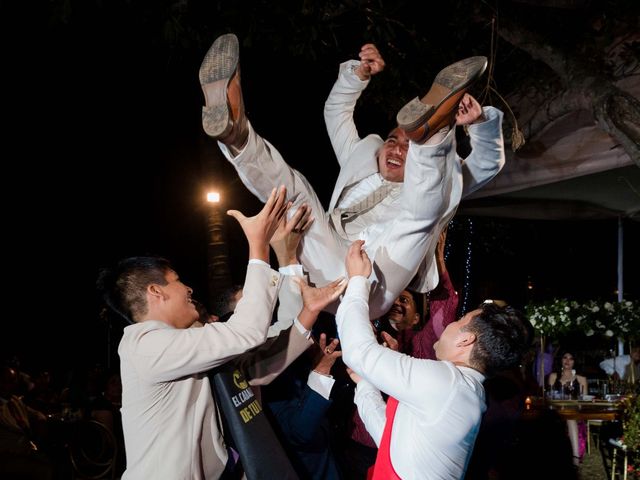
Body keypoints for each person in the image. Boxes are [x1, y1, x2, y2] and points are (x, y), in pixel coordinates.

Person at [199, 33, 505, 319]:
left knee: (423, 212)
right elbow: (336, 112)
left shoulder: (437, 184)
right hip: (328, 255)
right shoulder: (359, 160)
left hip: (380, 273)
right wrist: (358, 75)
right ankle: (236, 134)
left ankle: (434, 134)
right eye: (392, 140)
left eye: (408, 145)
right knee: (299, 191)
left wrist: (479, 123)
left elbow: (487, 164)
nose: (397, 149)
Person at [96, 187, 344, 479]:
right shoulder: (144, 345)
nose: (188, 289)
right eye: (177, 281)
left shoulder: (191, 342)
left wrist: (308, 311)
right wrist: (258, 246)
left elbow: (259, 362)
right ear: (156, 292)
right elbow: (246, 331)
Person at [336, 240, 533, 479]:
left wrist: (357, 280)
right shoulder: (465, 390)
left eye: (459, 322)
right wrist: (365, 383)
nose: (451, 324)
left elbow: (358, 352)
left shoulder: (447, 383)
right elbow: (389, 435)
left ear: (465, 340)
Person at [547, 352, 589, 466]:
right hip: (556, 411)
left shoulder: (581, 379)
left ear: (575, 362)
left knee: (570, 417)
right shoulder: (553, 376)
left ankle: (575, 457)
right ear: (561, 360)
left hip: (574, 413)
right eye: (565, 357)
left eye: (571, 358)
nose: (567, 361)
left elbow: (584, 402)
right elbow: (550, 398)